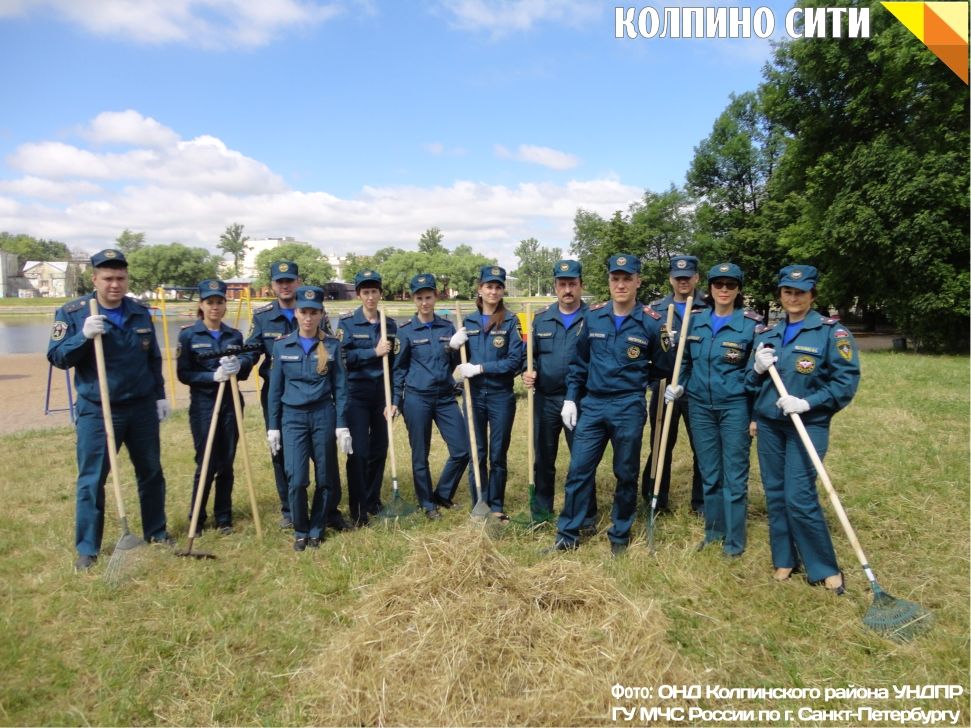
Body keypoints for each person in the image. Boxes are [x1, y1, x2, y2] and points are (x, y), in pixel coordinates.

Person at [47, 248, 172, 571]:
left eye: (120, 278)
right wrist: (83, 337)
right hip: (98, 409)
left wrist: (159, 395)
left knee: (151, 472)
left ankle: (156, 532)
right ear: (95, 280)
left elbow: (152, 358)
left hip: (141, 407)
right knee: (92, 479)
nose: (115, 284)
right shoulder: (73, 313)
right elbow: (57, 357)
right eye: (108, 278)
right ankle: (88, 548)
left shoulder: (139, 312)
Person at [747, 265, 859, 594]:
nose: (793, 298)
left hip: (808, 425)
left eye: (800, 292)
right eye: (788, 292)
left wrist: (808, 403)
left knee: (799, 495)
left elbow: (845, 383)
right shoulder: (766, 335)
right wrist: (756, 370)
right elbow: (750, 385)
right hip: (770, 425)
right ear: (780, 295)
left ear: (813, 295)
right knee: (776, 494)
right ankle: (785, 558)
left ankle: (823, 566)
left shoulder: (831, 334)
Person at [550, 254, 661, 555]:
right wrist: (571, 398)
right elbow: (579, 363)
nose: (621, 284)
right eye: (615, 279)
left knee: (625, 473)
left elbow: (662, 366)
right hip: (594, 405)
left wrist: (642, 383)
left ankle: (620, 535)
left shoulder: (651, 323)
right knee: (578, 470)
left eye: (627, 279)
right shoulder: (594, 317)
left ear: (638, 281)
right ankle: (567, 535)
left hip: (628, 406)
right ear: (609, 282)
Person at [244, 261, 349, 532]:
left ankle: (329, 511)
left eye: (289, 280)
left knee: (324, 458)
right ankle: (291, 511)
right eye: (279, 281)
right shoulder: (263, 316)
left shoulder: (316, 312)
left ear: (298, 282)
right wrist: (238, 365)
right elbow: (252, 350)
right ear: (272, 285)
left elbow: (330, 350)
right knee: (282, 454)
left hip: (318, 397)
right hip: (280, 395)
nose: (285, 285)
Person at [665, 263, 760, 557]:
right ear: (710, 287)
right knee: (710, 473)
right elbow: (685, 361)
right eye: (718, 284)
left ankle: (734, 541)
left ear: (738, 289)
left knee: (734, 476)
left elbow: (756, 375)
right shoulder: (695, 320)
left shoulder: (750, 325)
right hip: (700, 407)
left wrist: (755, 413)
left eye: (730, 285)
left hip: (734, 407)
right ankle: (714, 532)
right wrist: (679, 385)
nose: (724, 290)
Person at [266, 286, 350, 551]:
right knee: (297, 477)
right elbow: (274, 390)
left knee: (325, 476)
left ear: (321, 314)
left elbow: (341, 388)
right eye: (304, 312)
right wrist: (273, 427)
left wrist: (341, 424)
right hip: (292, 418)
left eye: (314, 312)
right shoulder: (282, 346)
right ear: (296, 313)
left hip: (323, 414)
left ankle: (317, 528)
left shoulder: (331, 345)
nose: (308, 318)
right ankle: (301, 529)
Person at [521, 259, 597, 529]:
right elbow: (528, 355)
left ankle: (585, 516)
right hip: (545, 399)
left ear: (581, 285)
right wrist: (528, 370)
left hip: (581, 400)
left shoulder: (593, 318)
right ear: (555, 286)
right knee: (543, 458)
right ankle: (542, 513)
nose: (567, 290)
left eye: (572, 284)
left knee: (582, 460)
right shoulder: (541, 319)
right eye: (562, 284)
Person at [389, 273, 470, 520]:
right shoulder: (406, 331)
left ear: (435, 297)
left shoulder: (447, 327)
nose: (424, 302)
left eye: (428, 297)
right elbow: (399, 369)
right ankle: (427, 503)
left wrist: (454, 347)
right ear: (414, 300)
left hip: (445, 397)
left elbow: (455, 362)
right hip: (417, 399)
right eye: (419, 298)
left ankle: (442, 494)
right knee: (420, 454)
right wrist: (395, 401)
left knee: (462, 449)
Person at [176, 279, 253, 536]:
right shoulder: (189, 335)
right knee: (206, 461)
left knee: (226, 462)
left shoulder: (234, 335)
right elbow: (184, 374)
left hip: (231, 404)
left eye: (220, 302)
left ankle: (224, 517)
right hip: (204, 406)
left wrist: (239, 366)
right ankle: (197, 518)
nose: (215, 307)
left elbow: (243, 372)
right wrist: (212, 377)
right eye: (210, 302)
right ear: (201, 305)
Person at [448, 265, 524, 521]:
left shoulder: (511, 321)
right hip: (474, 396)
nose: (493, 291)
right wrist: (452, 347)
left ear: (502, 291)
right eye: (489, 286)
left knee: (498, 453)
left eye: (498, 287)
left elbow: (514, 362)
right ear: (480, 289)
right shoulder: (467, 322)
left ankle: (496, 504)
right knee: (476, 453)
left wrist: (480, 368)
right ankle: (479, 503)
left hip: (501, 396)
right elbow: (457, 362)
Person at [641, 255, 707, 515]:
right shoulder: (656, 309)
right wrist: (651, 380)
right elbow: (644, 345)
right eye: (678, 278)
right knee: (660, 443)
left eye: (687, 277)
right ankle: (654, 498)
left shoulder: (708, 306)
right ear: (670, 279)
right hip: (664, 383)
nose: (683, 282)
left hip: (696, 385)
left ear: (696, 278)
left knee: (701, 445)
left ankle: (701, 502)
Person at [337, 270, 397, 527]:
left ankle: (373, 499)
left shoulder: (389, 324)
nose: (370, 296)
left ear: (380, 293)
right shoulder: (347, 323)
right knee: (359, 452)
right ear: (359, 295)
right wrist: (373, 352)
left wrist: (394, 398)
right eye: (365, 292)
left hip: (382, 394)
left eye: (374, 291)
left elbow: (395, 363)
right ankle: (358, 507)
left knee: (379, 449)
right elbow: (342, 358)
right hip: (357, 394)